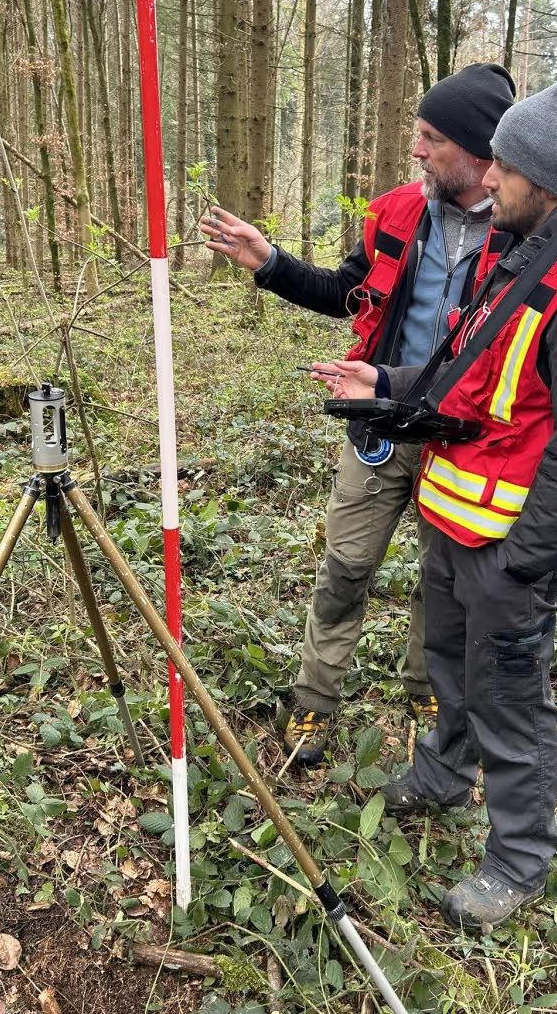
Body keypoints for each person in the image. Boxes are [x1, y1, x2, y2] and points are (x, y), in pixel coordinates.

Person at [310, 75, 557, 928]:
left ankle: (518, 858)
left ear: (545, 177)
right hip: (454, 521)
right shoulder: (525, 257)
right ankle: (440, 771)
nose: (487, 178)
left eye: (503, 164)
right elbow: (473, 384)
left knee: (512, 698)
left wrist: (523, 564)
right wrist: (388, 383)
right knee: (450, 666)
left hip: (508, 546)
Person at [200, 64, 517, 766]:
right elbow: (348, 291)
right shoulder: (397, 212)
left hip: (464, 444)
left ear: (479, 152)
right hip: (378, 427)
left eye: (431, 138)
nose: (416, 150)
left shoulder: (524, 232)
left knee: (446, 585)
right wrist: (271, 263)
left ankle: (427, 694)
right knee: (344, 570)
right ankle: (314, 703)